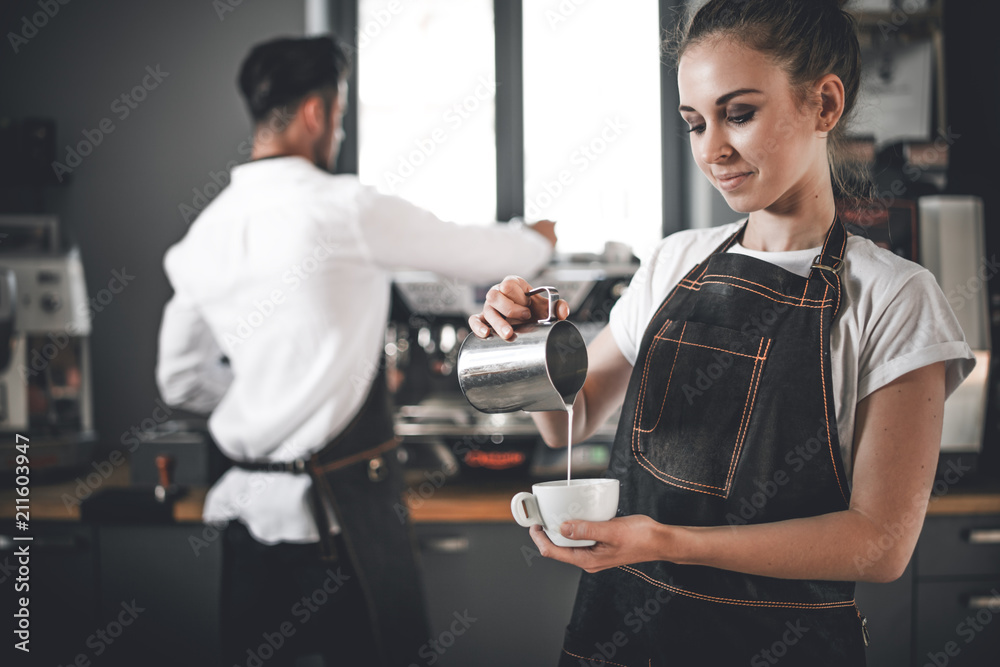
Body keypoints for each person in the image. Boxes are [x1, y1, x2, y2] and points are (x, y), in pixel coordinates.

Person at [470, 1, 976, 664]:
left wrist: (669, 542)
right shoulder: (673, 262)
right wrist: (529, 348)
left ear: (824, 104)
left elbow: (878, 543)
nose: (712, 149)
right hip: (623, 635)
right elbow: (571, 418)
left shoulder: (896, 297)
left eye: (739, 113)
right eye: (694, 122)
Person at [155, 35, 556, 666]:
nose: (337, 131)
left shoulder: (204, 233)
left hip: (245, 527)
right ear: (317, 112)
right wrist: (532, 240)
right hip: (338, 525)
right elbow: (481, 253)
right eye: (339, 114)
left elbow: (179, 380)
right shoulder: (345, 209)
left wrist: (266, 406)